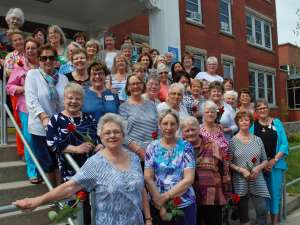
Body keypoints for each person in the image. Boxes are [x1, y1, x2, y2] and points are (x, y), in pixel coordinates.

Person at [14, 113, 150, 225]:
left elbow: (141, 189)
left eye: (116, 132)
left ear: (123, 135)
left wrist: (148, 219)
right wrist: (37, 201)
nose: (112, 135)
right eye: (107, 133)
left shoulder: (134, 158)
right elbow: (69, 187)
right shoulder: (95, 163)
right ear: (101, 137)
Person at [25, 44, 69, 185]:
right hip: (40, 127)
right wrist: (44, 117)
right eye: (44, 58)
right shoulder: (32, 75)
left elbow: (66, 102)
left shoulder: (63, 79)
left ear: (56, 59)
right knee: (48, 163)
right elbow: (31, 100)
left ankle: (62, 196)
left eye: (51, 57)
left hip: (59, 127)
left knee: (61, 161)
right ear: (39, 59)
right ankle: (53, 194)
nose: (48, 61)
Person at [144, 109, 196, 225]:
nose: (169, 127)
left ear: (178, 126)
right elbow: (148, 177)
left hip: (183, 203)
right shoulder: (152, 147)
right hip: (157, 204)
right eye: (165, 123)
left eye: (172, 124)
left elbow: (189, 179)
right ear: (159, 125)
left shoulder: (186, 146)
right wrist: (160, 202)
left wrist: (165, 197)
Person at [181, 116, 231, 225]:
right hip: (188, 198)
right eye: (187, 130)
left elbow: (224, 170)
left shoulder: (213, 145)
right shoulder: (179, 148)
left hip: (212, 198)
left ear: (199, 129)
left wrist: (226, 194)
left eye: (193, 129)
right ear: (183, 133)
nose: (190, 133)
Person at [6, 38, 40, 183]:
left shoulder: (43, 65)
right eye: (28, 48)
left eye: (33, 48)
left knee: (42, 140)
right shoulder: (19, 67)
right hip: (25, 108)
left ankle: (43, 169)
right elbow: (9, 87)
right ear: (25, 51)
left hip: (42, 108)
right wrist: (21, 89)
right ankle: (32, 171)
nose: (30, 50)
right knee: (29, 138)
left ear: (38, 50)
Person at [250, 99, 289, 225]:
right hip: (260, 167)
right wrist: (262, 164)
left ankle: (275, 222)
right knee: (263, 197)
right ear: (256, 111)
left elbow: (284, 144)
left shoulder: (277, 123)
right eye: (260, 108)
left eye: (265, 107)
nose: (263, 110)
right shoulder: (253, 127)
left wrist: (274, 160)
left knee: (275, 195)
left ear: (268, 108)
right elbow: (249, 147)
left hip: (275, 165)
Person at [229, 111, 270, 225]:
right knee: (244, 216)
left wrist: (258, 168)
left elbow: (265, 160)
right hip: (240, 180)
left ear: (250, 122)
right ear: (237, 122)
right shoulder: (232, 142)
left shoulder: (257, 140)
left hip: (257, 178)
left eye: (246, 119)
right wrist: (241, 170)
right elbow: (228, 162)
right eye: (241, 120)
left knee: (262, 210)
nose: (244, 122)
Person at [119, 74, 158, 160]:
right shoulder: (123, 107)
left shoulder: (151, 104)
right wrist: (139, 151)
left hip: (153, 152)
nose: (136, 86)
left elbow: (156, 128)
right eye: (132, 84)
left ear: (142, 85)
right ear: (128, 87)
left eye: (138, 83)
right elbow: (123, 134)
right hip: (133, 155)